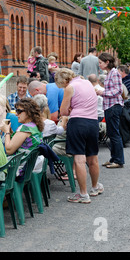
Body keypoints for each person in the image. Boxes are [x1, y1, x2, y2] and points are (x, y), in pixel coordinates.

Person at [55, 68, 102, 204]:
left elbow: (63, 111)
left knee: (80, 160)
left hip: (77, 123)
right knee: (93, 158)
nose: (62, 86)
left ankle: (83, 194)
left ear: (64, 80)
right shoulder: (87, 82)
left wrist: (70, 108)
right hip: (92, 122)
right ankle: (94, 187)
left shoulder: (70, 87)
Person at [96, 53, 125, 168]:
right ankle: (114, 158)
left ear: (107, 62)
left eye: (100, 62)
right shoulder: (110, 73)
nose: (99, 65)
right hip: (109, 106)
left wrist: (102, 92)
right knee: (112, 133)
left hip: (113, 106)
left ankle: (118, 160)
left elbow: (118, 90)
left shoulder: (114, 73)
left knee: (114, 134)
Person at [0, 97, 44, 164]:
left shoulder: (24, 129)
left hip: (20, 167)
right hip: (32, 165)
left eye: (19, 111)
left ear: (28, 112)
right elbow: (19, 141)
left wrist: (6, 132)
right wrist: (11, 132)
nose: (16, 114)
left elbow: (9, 150)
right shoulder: (34, 125)